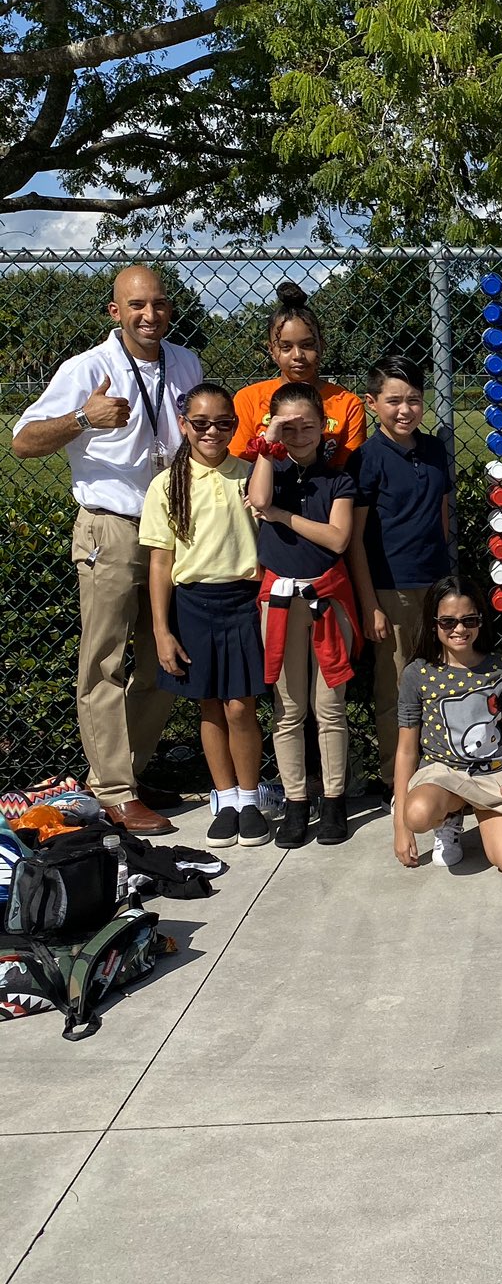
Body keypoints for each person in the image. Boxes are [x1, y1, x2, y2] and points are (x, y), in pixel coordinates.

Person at [12, 264, 201, 832]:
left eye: (159, 304)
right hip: (112, 527)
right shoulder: (87, 368)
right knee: (104, 662)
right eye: (136, 305)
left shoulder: (186, 362)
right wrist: (82, 417)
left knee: (167, 657)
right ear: (116, 312)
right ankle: (116, 790)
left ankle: (125, 775)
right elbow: (23, 441)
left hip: (172, 528)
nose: (150, 315)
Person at [140, 383, 269, 850]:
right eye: (200, 423)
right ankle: (225, 799)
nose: (212, 432)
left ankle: (250, 798)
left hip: (244, 601)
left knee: (240, 706)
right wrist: (162, 630)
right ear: (183, 425)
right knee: (209, 705)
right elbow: (160, 562)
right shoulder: (166, 485)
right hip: (192, 604)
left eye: (223, 423)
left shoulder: (250, 476)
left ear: (236, 425)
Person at [246, 382, 359, 849]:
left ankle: (333, 800)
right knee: (288, 708)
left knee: (329, 706)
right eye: (287, 427)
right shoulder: (268, 470)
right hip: (279, 602)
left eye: (306, 425)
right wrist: (268, 441)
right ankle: (295, 801)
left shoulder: (338, 479)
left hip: (327, 598)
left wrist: (281, 515)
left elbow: (338, 539)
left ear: (323, 426)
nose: (298, 435)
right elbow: (258, 500)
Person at [346, 354, 453, 786]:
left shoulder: (433, 450)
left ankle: (442, 766)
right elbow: (355, 539)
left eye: (413, 400)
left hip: (437, 587)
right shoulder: (366, 459)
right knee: (395, 687)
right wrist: (370, 603)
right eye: (393, 401)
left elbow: (441, 515)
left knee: (442, 680)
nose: (405, 410)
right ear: (372, 403)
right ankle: (398, 777)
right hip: (392, 590)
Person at [392, 575, 502, 876]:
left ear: (480, 620)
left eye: (469, 620)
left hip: (492, 774)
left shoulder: (497, 667)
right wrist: (401, 828)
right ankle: (449, 816)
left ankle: (483, 813)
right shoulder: (418, 673)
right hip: (442, 774)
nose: (459, 629)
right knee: (416, 815)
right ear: (433, 624)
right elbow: (406, 751)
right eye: (448, 622)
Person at [230, 281, 366, 467]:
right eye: (286, 347)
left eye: (307, 345)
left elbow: (347, 470)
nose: (298, 355)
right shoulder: (248, 399)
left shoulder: (348, 405)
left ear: (321, 345)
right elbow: (240, 464)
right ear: (272, 350)